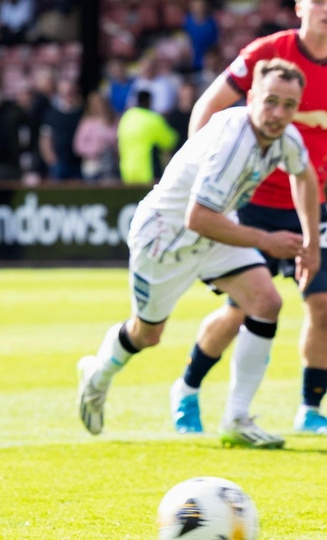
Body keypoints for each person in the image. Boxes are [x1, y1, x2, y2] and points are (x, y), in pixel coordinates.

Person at [77, 58, 320, 450]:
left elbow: (304, 175)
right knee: (147, 334)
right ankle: (98, 373)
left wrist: (309, 244)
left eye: (289, 105)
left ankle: (237, 418)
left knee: (266, 301)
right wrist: (268, 241)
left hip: (215, 230)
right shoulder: (233, 142)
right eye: (271, 101)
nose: (278, 114)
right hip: (165, 238)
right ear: (252, 96)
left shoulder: (285, 137)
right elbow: (197, 218)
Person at [173, 0, 327, 436]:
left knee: (322, 302)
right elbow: (209, 104)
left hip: (313, 202)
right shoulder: (269, 52)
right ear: (299, 6)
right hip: (252, 201)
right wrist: (200, 174)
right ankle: (187, 388)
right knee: (243, 308)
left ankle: (311, 409)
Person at [116, 90, 176, 185]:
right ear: (149, 101)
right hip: (148, 173)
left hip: (127, 173)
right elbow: (170, 141)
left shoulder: (126, 117)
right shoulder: (153, 119)